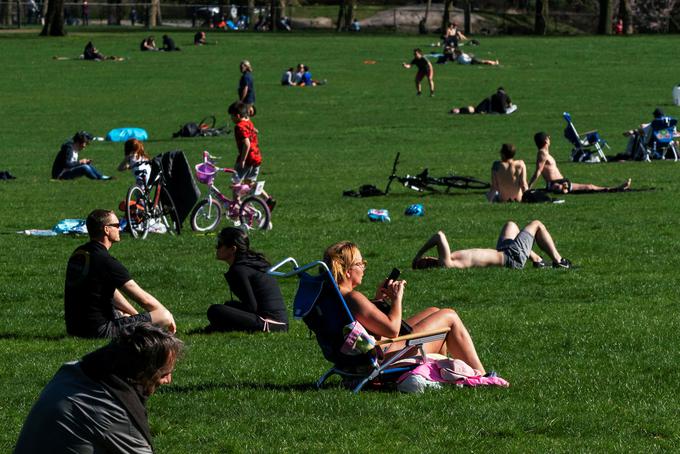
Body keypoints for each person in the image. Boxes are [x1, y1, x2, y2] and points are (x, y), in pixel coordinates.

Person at [14, 323, 183, 454]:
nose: (169, 380)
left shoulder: (74, 371)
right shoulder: (112, 413)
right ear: (142, 372)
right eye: (164, 374)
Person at [324, 241, 488, 374]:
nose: (364, 268)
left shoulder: (334, 296)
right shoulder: (353, 298)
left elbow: (363, 323)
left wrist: (378, 300)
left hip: (360, 358)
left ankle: (436, 373)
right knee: (449, 316)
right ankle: (482, 375)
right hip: (384, 358)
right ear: (347, 271)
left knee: (433, 311)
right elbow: (392, 330)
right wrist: (396, 299)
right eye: (360, 264)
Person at [64, 209, 176, 338]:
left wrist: (134, 315)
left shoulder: (80, 253)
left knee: (125, 314)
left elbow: (108, 290)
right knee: (163, 316)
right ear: (106, 229)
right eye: (117, 226)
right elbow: (143, 299)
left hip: (74, 328)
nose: (120, 229)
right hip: (98, 331)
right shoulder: (106, 261)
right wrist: (166, 314)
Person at [206, 227, 288, 332]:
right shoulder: (251, 263)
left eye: (220, 244)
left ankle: (221, 327)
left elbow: (252, 307)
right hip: (280, 324)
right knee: (228, 306)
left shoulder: (239, 270)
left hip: (270, 324)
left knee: (215, 310)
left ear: (233, 249)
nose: (217, 248)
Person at [412, 221, 572, 270]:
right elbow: (439, 236)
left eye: (424, 258)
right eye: (425, 262)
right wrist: (417, 256)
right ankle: (559, 261)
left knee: (511, 225)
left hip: (504, 251)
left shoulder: (449, 260)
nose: (426, 258)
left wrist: (420, 260)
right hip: (511, 257)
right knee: (537, 224)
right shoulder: (446, 263)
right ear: (430, 267)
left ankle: (537, 259)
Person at [528, 132, 632, 194]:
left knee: (589, 186)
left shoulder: (544, 153)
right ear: (546, 141)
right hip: (557, 184)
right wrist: (528, 187)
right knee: (589, 187)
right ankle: (616, 189)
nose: (550, 139)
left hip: (560, 182)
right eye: (548, 138)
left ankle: (616, 188)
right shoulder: (542, 153)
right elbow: (538, 171)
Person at [228, 101, 275, 211]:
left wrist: (243, 160)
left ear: (238, 116)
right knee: (250, 181)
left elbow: (246, 143)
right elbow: (252, 130)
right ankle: (268, 199)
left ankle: (237, 206)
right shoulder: (249, 122)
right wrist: (254, 130)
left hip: (247, 159)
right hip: (257, 158)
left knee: (236, 182)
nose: (231, 119)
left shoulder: (239, 126)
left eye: (232, 116)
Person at [449, 87, 515, 115]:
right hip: (502, 111)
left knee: (474, 109)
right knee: (515, 106)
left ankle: (457, 111)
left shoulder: (493, 96)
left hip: (494, 110)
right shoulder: (506, 95)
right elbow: (511, 105)